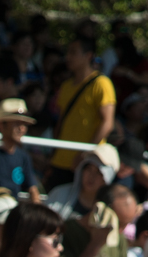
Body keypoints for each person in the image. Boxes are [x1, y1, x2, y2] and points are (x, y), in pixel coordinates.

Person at [48, 37, 115, 189]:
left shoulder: (101, 83)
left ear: (88, 55)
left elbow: (108, 123)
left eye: (73, 53)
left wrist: (85, 154)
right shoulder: (65, 86)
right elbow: (61, 121)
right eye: (68, 53)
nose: (68, 57)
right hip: (60, 160)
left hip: (86, 164)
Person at [0, 99, 40, 202]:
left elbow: (32, 188)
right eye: (17, 123)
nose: (21, 129)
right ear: (1, 125)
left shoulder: (23, 156)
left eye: (24, 124)